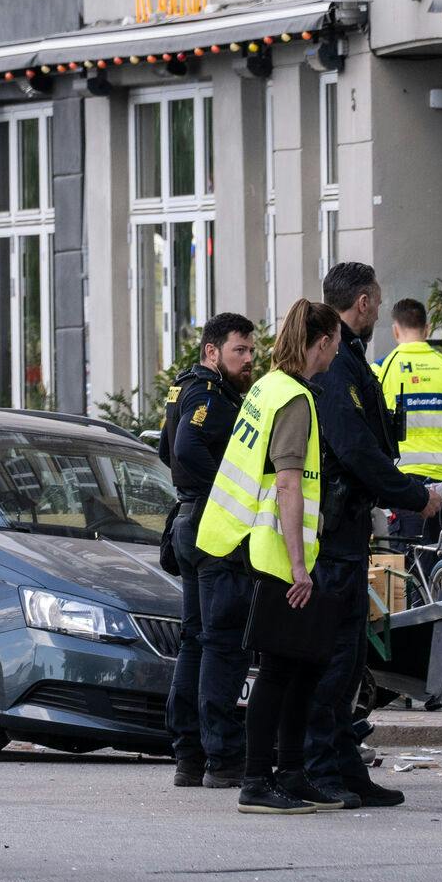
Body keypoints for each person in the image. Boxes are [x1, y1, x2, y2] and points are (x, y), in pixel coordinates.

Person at [194, 299, 343, 814]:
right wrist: (301, 568)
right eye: (336, 340)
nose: (338, 348)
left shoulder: (265, 387)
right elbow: (286, 484)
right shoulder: (295, 398)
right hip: (279, 553)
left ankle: (291, 774)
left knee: (300, 667)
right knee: (283, 671)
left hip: (257, 544)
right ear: (322, 343)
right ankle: (258, 780)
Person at [304, 264, 442, 809]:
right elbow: (355, 449)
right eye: (377, 303)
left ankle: (343, 767)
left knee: (350, 657)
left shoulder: (349, 358)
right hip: (335, 533)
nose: (380, 312)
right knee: (337, 659)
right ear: (361, 303)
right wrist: (412, 494)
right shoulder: (338, 363)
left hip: (347, 530)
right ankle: (325, 770)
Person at [157, 312, 257, 788]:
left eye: (252, 351)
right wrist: (230, 492)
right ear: (213, 352)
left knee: (196, 640)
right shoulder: (208, 393)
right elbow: (186, 445)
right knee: (221, 641)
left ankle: (189, 757)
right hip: (209, 525)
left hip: (188, 519)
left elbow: (165, 452)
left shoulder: (183, 389)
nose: (250, 360)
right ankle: (222, 757)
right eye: (241, 351)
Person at [376, 297, 442, 548]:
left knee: (408, 568)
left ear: (395, 330)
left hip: (403, 485)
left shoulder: (381, 369)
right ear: (427, 329)